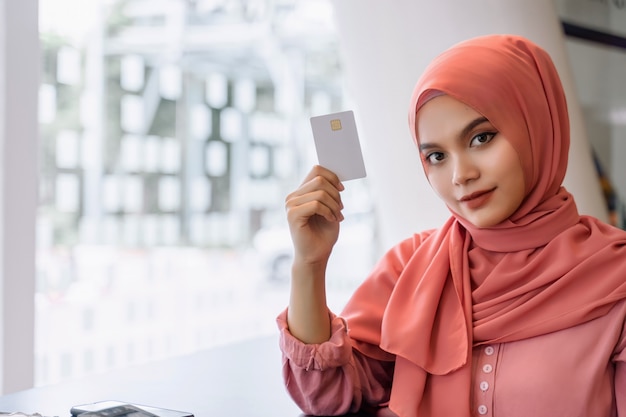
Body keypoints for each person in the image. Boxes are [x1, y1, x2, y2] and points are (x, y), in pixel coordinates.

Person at [277, 34, 626, 417]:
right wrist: (309, 264)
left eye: (481, 137)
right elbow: (326, 397)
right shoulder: (411, 268)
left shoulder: (615, 276)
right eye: (437, 156)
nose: (460, 175)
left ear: (536, 126)